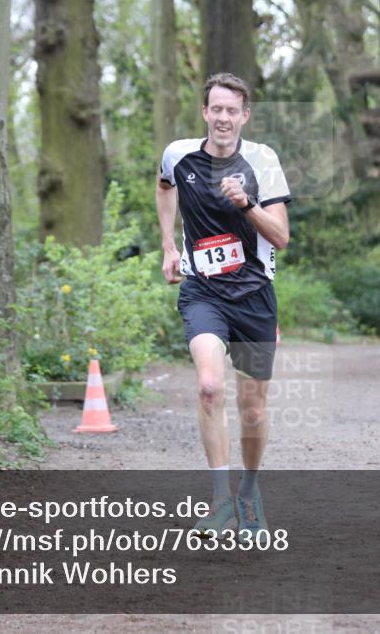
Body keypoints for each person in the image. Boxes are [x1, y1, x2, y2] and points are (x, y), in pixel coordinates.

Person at [155, 73, 291, 537]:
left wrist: (247, 204)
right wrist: (170, 246)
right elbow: (164, 185)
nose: (223, 118)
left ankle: (249, 494)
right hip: (203, 292)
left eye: (232, 110)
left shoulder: (262, 161)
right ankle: (220, 502)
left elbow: (282, 237)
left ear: (244, 116)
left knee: (252, 408)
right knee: (210, 387)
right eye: (216, 109)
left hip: (254, 296)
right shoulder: (179, 154)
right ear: (205, 112)